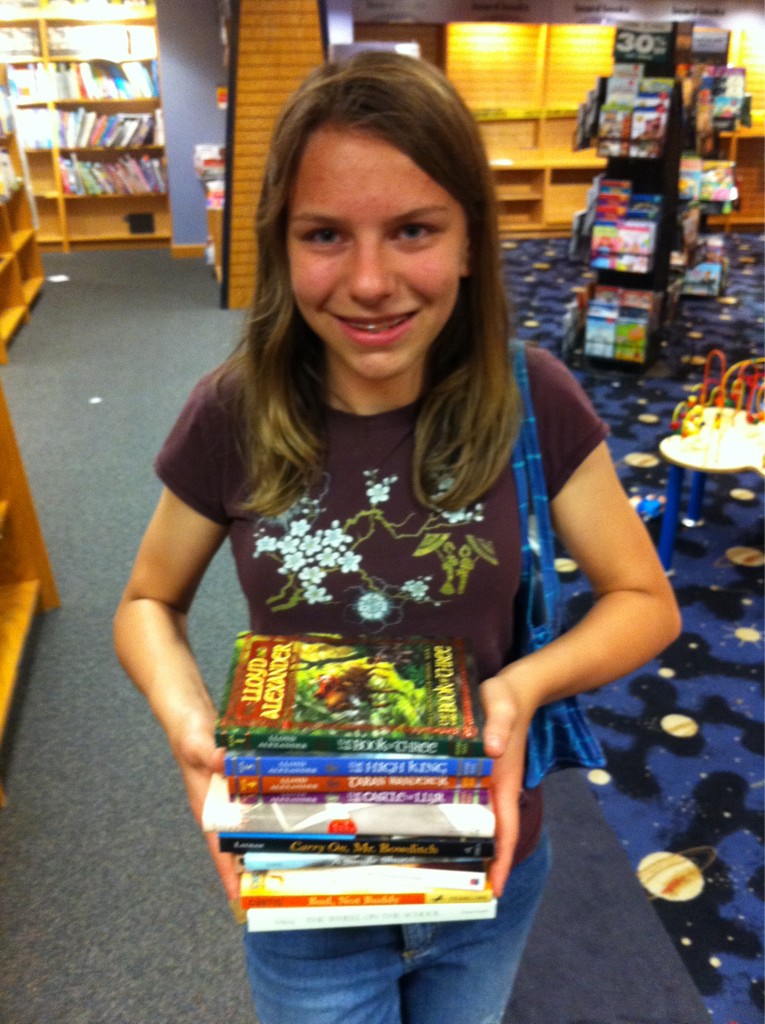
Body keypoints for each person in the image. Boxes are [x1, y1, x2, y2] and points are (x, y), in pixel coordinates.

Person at [114, 51, 681, 1024]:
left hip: (488, 872)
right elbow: (146, 603)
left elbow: (646, 602)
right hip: (306, 885)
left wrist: (521, 686)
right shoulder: (234, 410)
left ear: (468, 240)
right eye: (325, 234)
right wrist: (188, 724)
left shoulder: (529, 398)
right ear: (281, 247)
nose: (370, 281)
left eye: (413, 230)